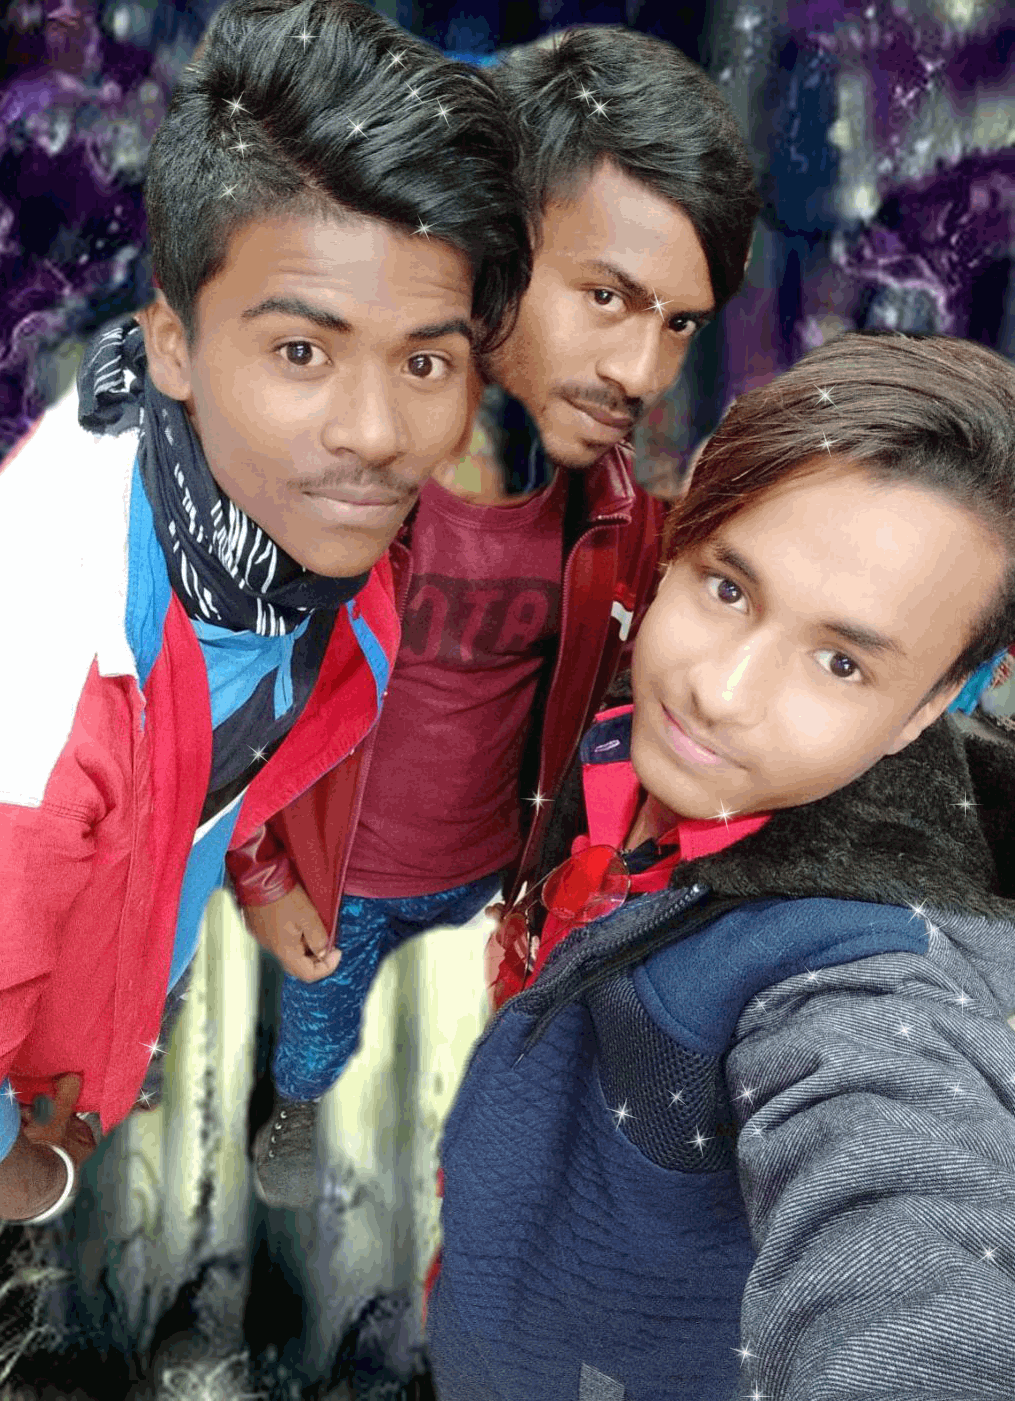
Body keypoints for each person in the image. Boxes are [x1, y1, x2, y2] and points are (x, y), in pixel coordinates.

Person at [0, 0, 531, 1225]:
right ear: (174, 344)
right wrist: (26, 1178)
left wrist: (254, 861)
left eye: (424, 362)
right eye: (302, 354)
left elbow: (231, 752)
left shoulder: (271, 521)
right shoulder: (27, 689)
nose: (376, 436)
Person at [225, 24, 761, 1210]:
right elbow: (230, 688)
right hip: (342, 869)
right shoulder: (325, 472)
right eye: (607, 296)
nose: (642, 370)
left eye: (678, 322)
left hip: (488, 865)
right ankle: (296, 1101)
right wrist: (261, 873)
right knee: (317, 1028)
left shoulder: (613, 511)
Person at [424, 330, 1015, 1400]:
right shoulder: (620, 715)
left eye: (840, 662)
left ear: (926, 708)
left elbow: (909, 1232)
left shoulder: (863, 981)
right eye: (729, 590)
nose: (719, 692)